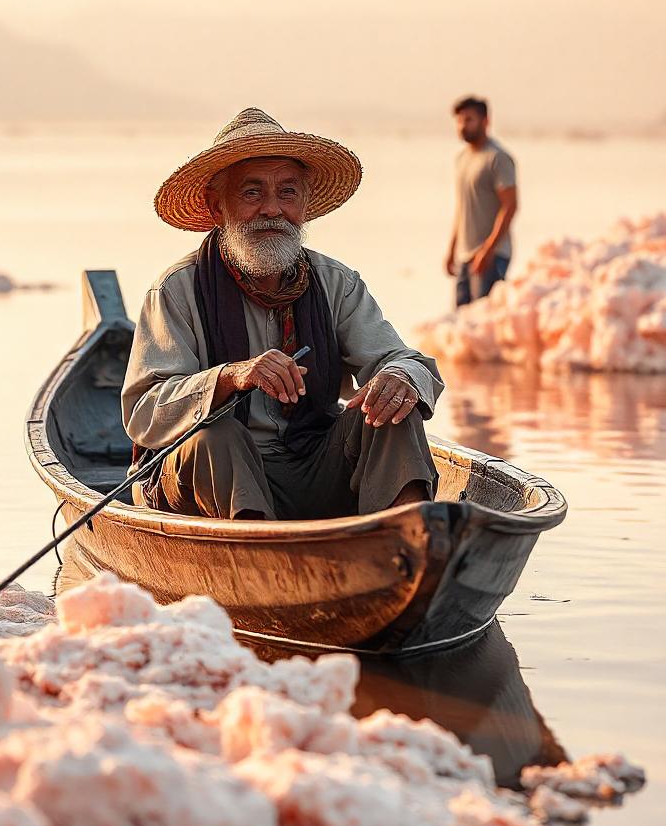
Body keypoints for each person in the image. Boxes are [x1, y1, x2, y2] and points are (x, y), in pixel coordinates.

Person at [122, 107, 444, 521]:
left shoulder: (334, 282)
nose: (272, 210)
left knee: (394, 412)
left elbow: (404, 360)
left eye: (287, 192)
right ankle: (262, 559)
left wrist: (399, 379)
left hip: (311, 466)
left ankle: (410, 541)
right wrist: (231, 376)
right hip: (212, 482)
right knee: (214, 436)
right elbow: (144, 411)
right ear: (217, 208)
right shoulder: (176, 290)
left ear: (304, 205)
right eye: (252, 193)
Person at [444, 96, 518, 308]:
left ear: (486, 121)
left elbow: (510, 206)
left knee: (485, 322)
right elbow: (462, 209)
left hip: (492, 256)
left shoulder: (497, 158)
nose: (462, 126)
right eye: (459, 121)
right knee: (461, 324)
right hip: (464, 257)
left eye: (469, 120)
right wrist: (451, 250)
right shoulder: (462, 159)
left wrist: (488, 250)